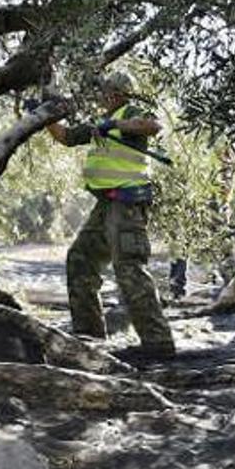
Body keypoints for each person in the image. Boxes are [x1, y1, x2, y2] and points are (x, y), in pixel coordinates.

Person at [44, 71, 175, 358]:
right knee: (80, 258)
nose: (103, 96)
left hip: (127, 203)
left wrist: (113, 123)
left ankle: (159, 345)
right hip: (105, 205)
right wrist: (44, 116)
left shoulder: (131, 113)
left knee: (129, 269)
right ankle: (89, 337)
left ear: (117, 93)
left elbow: (153, 126)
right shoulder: (97, 123)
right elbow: (65, 136)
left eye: (106, 91)